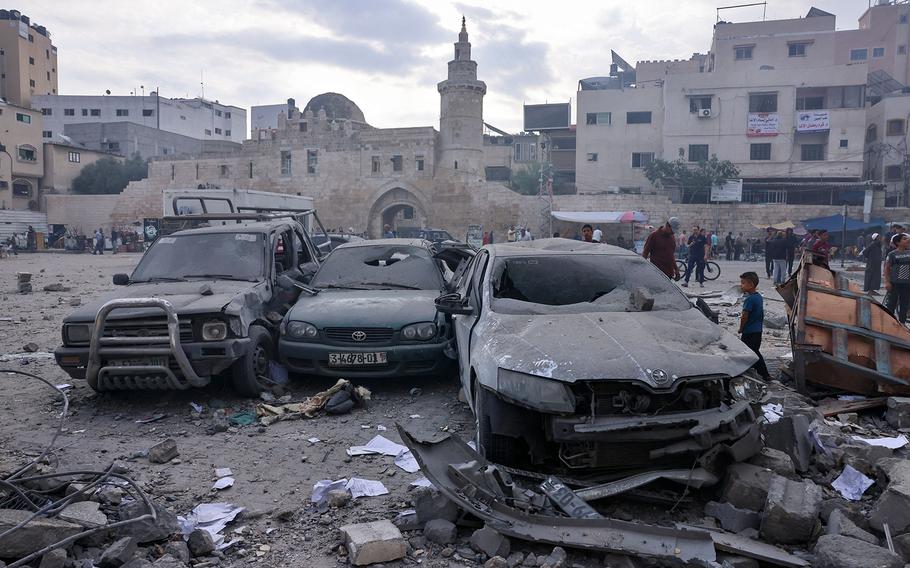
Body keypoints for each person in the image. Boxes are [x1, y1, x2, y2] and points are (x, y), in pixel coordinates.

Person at [739, 271, 770, 379]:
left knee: (750, 354)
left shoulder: (749, 299)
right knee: (754, 352)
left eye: (743, 283)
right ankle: (762, 374)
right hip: (758, 331)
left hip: (749, 331)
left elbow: (744, 316)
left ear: (751, 284)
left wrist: (741, 328)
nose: (741, 285)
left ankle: (764, 374)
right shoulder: (758, 297)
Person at [885, 232, 910, 324]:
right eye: (904, 239)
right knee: (891, 304)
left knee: (904, 305)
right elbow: (887, 268)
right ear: (898, 242)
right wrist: (887, 282)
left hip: (907, 284)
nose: (907, 240)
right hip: (895, 283)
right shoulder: (892, 254)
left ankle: (902, 324)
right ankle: (889, 323)